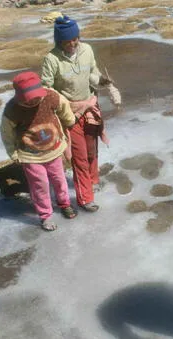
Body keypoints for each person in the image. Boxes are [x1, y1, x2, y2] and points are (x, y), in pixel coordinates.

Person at [41, 15, 112, 213]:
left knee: (91, 150)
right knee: (79, 156)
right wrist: (69, 105)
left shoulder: (87, 50)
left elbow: (92, 73)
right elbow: (46, 89)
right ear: (59, 40)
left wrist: (102, 81)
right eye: (67, 40)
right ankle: (85, 198)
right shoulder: (52, 60)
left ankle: (93, 180)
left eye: (75, 39)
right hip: (68, 114)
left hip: (90, 107)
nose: (73, 43)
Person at [0, 71, 78, 231]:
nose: (33, 101)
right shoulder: (12, 110)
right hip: (30, 155)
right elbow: (6, 133)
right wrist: (13, 153)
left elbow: (64, 108)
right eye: (29, 99)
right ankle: (45, 216)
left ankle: (64, 204)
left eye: (36, 96)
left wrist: (69, 120)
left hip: (54, 149)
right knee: (39, 185)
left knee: (59, 179)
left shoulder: (51, 96)